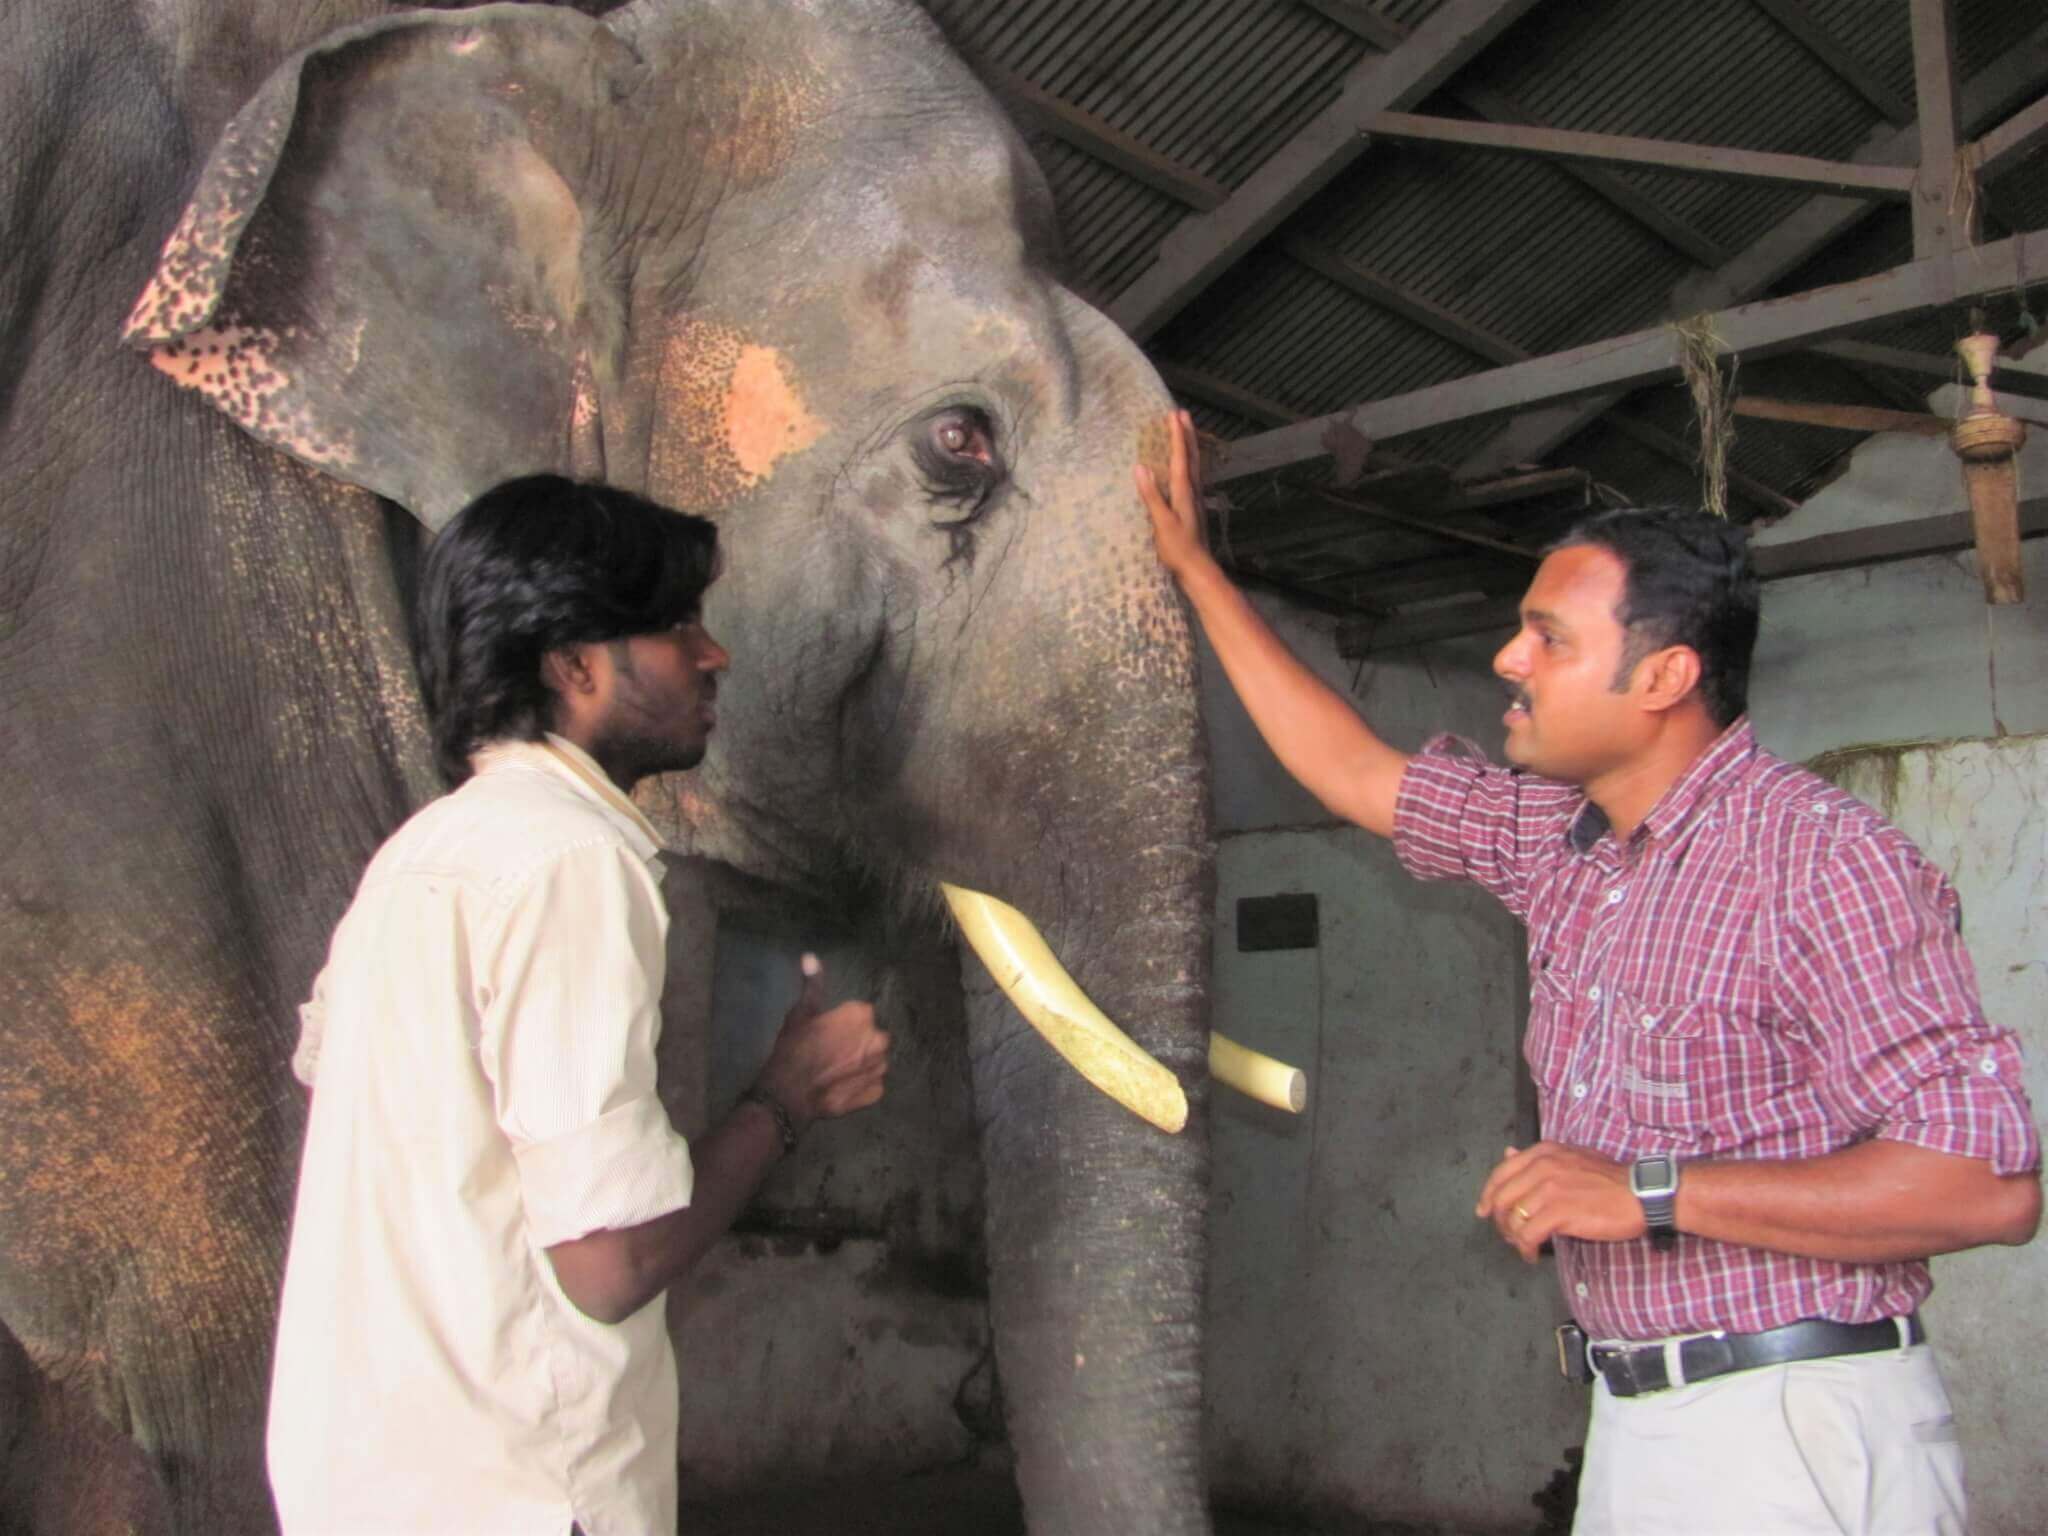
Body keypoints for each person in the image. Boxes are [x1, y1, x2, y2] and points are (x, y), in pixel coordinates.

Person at [1136, 411, 2040, 1534]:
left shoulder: (1818, 861)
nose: (1506, 662)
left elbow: (1984, 1186)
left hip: (1790, 1428)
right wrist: (1192, 571)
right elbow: (1355, 771)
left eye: (1547, 639)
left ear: (1662, 675)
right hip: (1637, 1415)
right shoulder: (1563, 845)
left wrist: (1643, 1190)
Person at [267, 475, 891, 1535]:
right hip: (511, 1493)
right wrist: (787, 1099)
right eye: (678, 625)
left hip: (362, 1482)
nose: (713, 656)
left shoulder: (420, 856)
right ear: (573, 666)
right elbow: (608, 1266)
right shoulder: (572, 864)